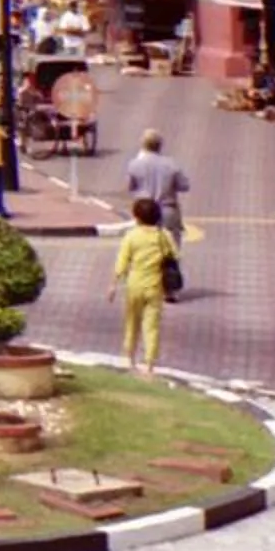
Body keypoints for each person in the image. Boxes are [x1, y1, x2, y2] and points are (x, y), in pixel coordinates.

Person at [104, 196, 176, 378]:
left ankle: (130, 358)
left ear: (136, 217)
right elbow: (174, 254)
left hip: (134, 284)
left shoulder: (132, 236)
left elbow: (122, 261)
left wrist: (113, 285)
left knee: (132, 322)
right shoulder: (163, 236)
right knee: (152, 326)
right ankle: (149, 363)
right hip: (155, 285)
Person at [122, 129, 190, 294]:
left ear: (143, 145)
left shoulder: (134, 164)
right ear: (160, 146)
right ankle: (170, 288)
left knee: (144, 250)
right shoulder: (171, 164)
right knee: (170, 250)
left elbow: (129, 187)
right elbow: (184, 185)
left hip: (145, 211)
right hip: (167, 210)